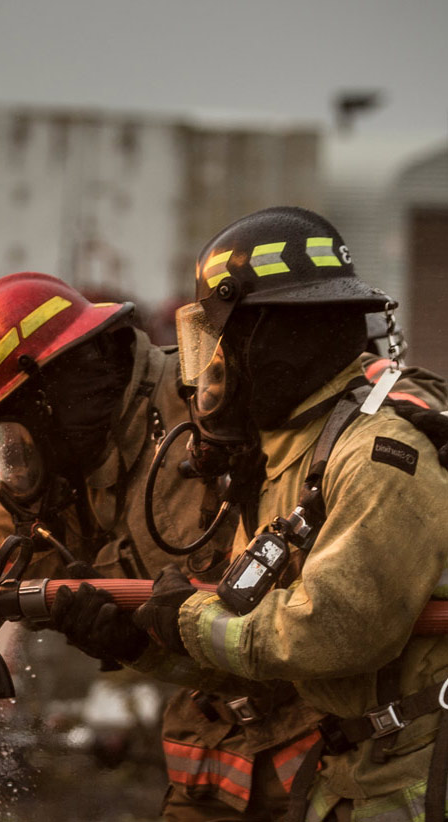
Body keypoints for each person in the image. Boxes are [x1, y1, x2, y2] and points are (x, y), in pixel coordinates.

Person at [0, 269, 446, 821]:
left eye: (17, 431)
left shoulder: (214, 400)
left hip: (321, 747)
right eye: (4, 441)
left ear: (60, 387)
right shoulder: (68, 472)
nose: (19, 456)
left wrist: (410, 404)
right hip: (209, 755)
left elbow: (339, 386)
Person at [132, 206, 448, 822]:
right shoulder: (293, 456)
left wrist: (189, 622)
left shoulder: (380, 455)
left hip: (417, 783)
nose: (209, 369)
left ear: (266, 339)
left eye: (218, 340)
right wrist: (142, 641)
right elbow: (274, 667)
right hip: (353, 774)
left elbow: (334, 630)